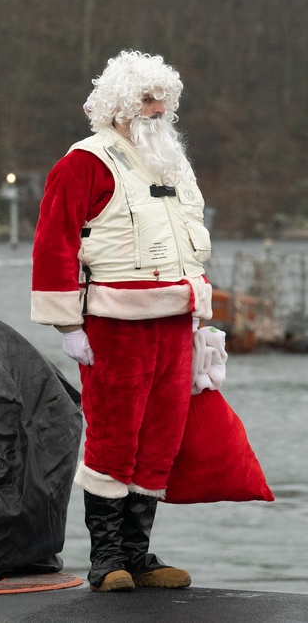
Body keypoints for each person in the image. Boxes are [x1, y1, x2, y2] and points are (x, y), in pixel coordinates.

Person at [31, 50, 213, 592]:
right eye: (147, 100)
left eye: (163, 101)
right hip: (114, 324)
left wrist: (200, 317)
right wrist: (69, 326)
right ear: (118, 105)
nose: (158, 111)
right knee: (113, 437)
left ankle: (137, 555)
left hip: (176, 320)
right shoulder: (83, 163)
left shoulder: (174, 165)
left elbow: (191, 244)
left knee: (161, 438)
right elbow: (53, 244)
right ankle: (106, 559)